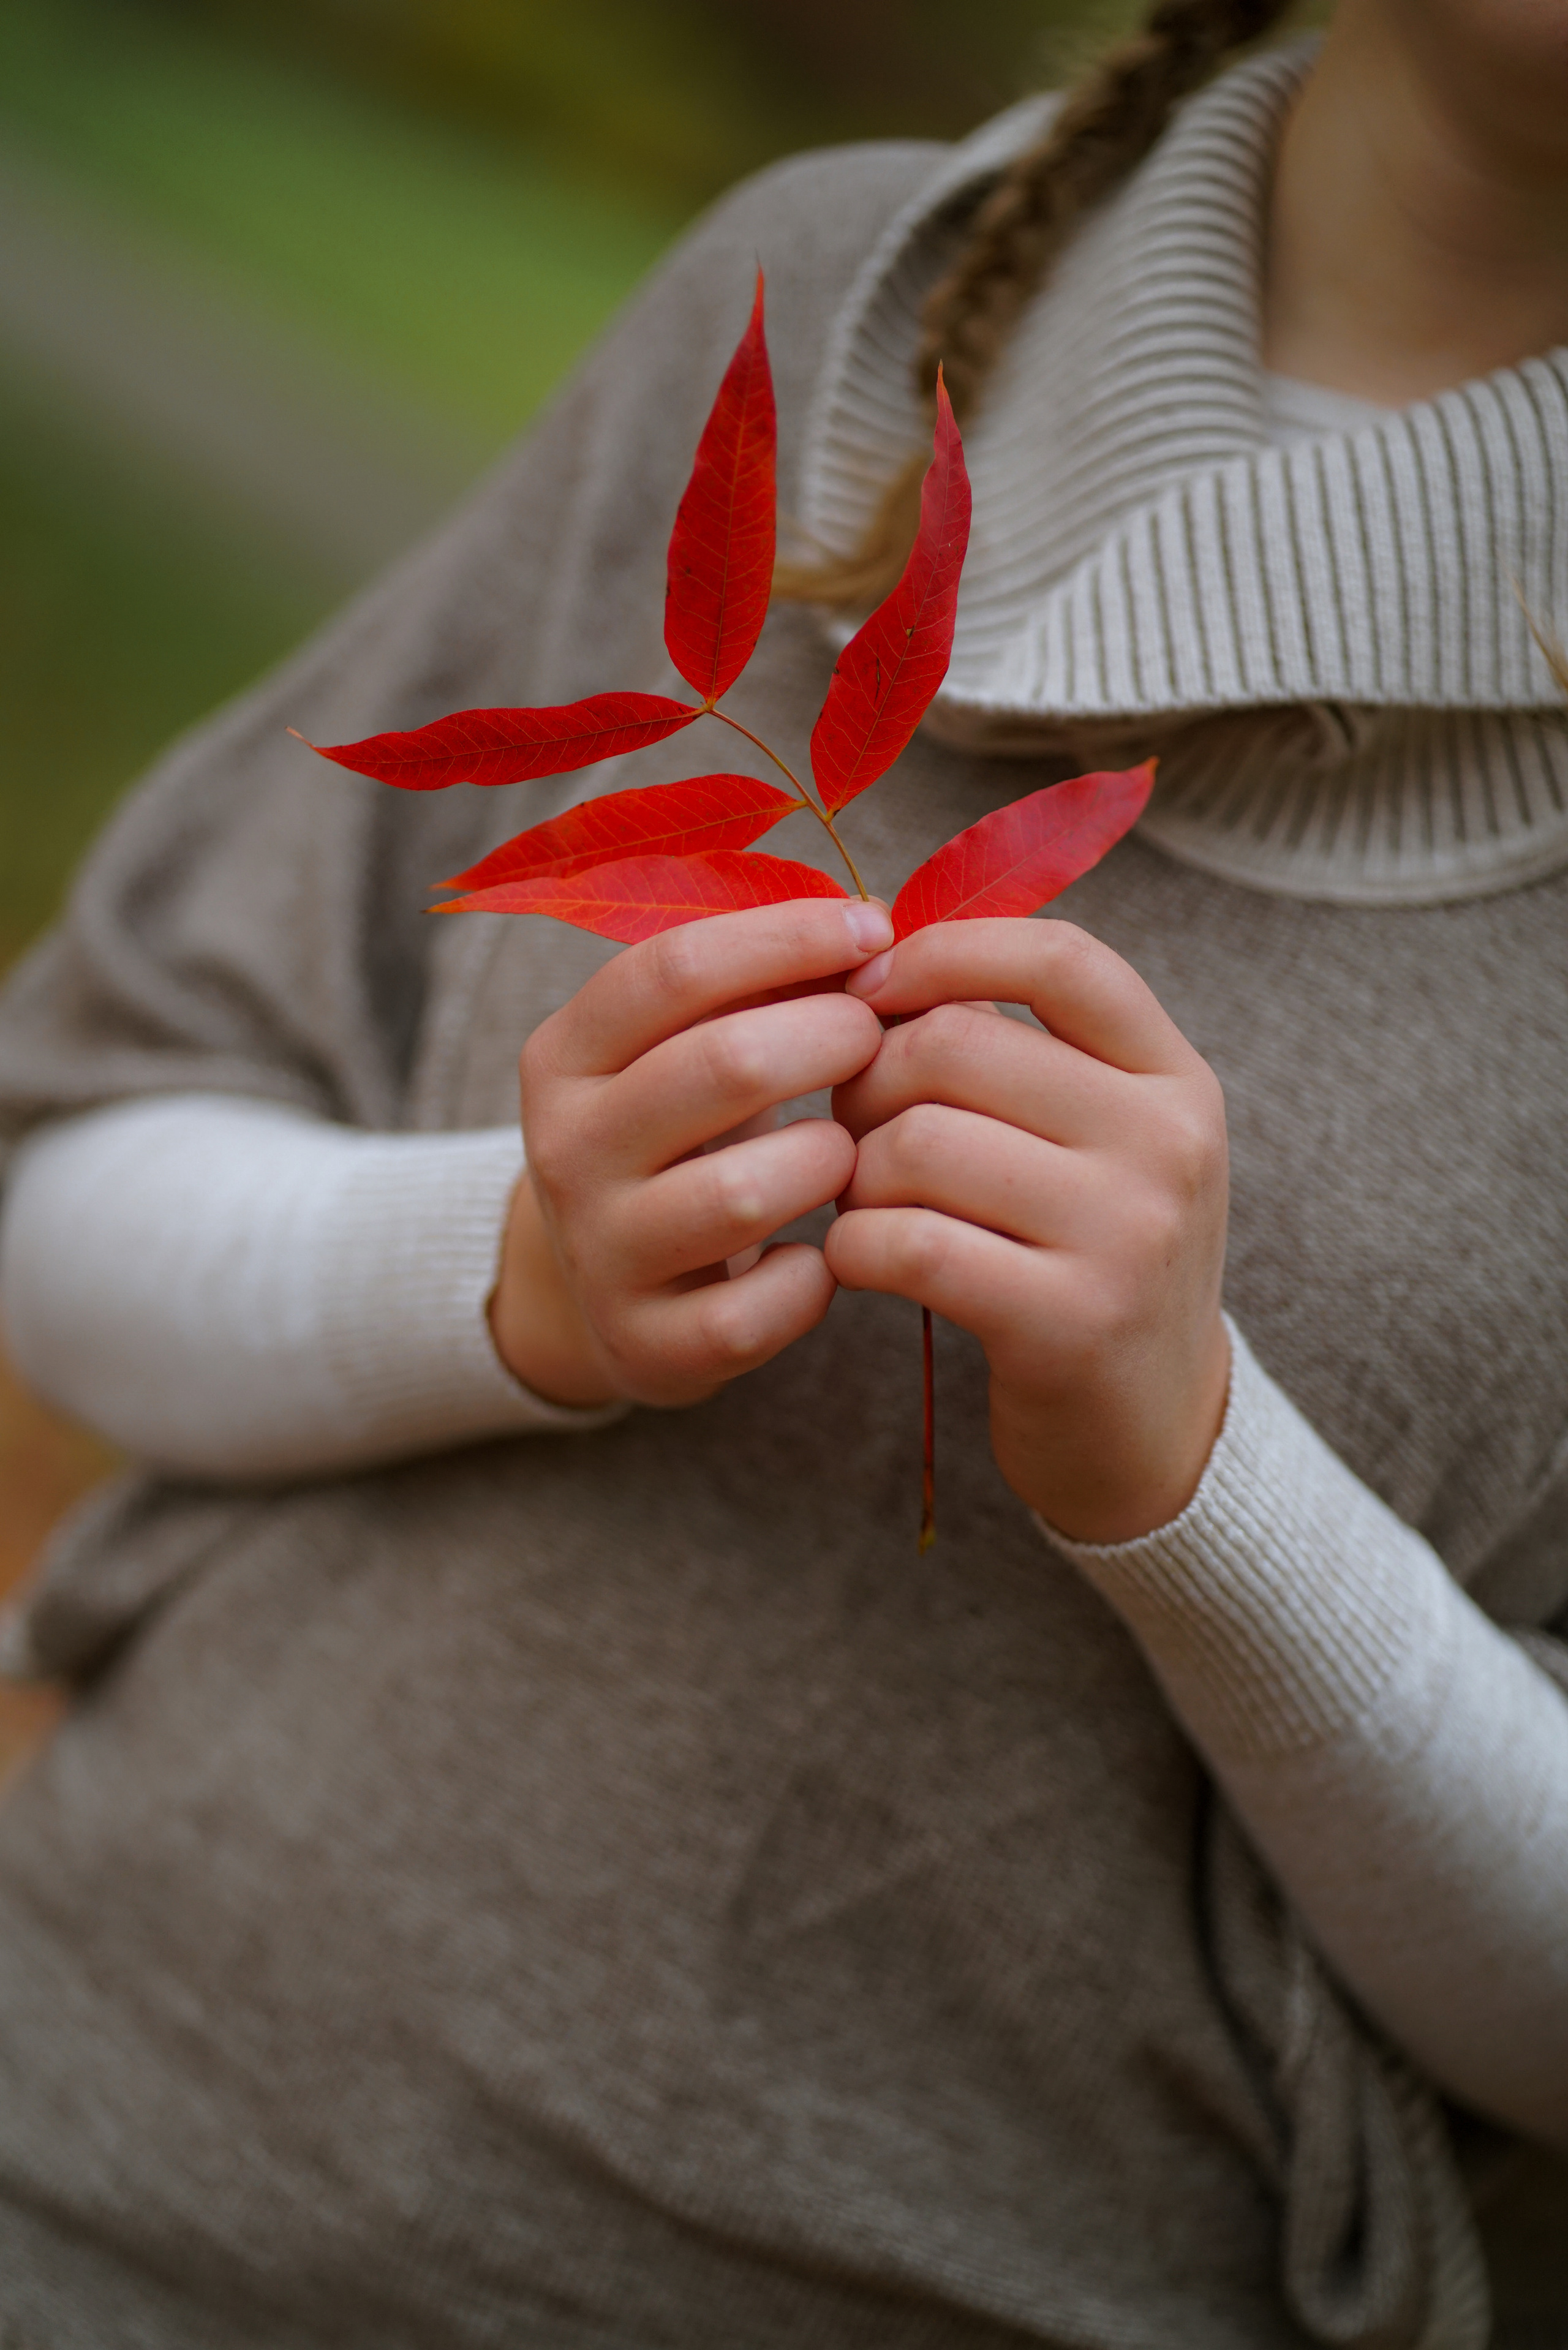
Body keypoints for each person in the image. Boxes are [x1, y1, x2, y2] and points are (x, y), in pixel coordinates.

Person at [0, 0, 1565, 2338]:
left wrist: (1203, 1478)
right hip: (94, 2143)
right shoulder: (837, 293)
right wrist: (515, 1278)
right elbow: (69, 1200)